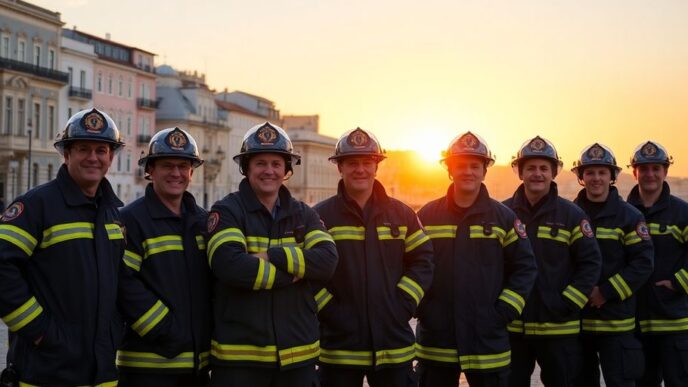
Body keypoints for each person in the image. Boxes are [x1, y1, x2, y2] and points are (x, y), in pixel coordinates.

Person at [206, 122, 338, 387]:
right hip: (240, 360)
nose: (269, 171)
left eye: (276, 164)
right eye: (261, 163)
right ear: (247, 168)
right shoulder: (227, 211)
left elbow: (327, 261)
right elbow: (229, 266)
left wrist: (271, 256)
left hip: (298, 358)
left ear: (286, 170)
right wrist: (294, 274)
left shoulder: (304, 213)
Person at [0, 108, 126, 385]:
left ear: (111, 157)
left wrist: (114, 329)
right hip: (46, 371)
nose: (93, 157)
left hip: (101, 373)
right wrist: (40, 331)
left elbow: (120, 281)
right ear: (66, 154)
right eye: (83, 149)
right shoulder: (36, 206)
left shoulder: (113, 213)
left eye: (101, 150)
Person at [313, 128, 434, 387]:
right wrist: (330, 310)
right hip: (339, 348)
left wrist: (402, 303)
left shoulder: (403, 215)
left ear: (376, 167)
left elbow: (423, 261)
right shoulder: (320, 217)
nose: (360, 170)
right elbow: (308, 272)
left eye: (367, 163)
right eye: (352, 163)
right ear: (340, 168)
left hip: (393, 346)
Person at [416, 131, 537, 387]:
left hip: (487, 339)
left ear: (484, 171)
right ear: (450, 170)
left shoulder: (504, 218)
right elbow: (410, 265)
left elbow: (525, 268)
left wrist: (503, 311)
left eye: (475, 166)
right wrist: (423, 309)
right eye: (461, 166)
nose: (468, 172)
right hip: (437, 339)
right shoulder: (427, 215)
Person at [503, 136, 601, 387]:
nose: (537, 174)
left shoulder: (572, 215)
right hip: (514, 329)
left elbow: (590, 263)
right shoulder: (502, 214)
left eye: (544, 168)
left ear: (554, 172)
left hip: (560, 331)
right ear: (520, 172)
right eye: (531, 168)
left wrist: (569, 302)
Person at [116, 127, 212, 386]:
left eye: (183, 166)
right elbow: (124, 283)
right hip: (148, 366)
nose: (176, 173)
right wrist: (166, 330)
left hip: (197, 366)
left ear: (192, 171)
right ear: (150, 171)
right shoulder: (131, 220)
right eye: (167, 165)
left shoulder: (204, 222)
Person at [571, 143, 653, 387]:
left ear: (612, 176)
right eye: (590, 173)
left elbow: (643, 263)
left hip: (617, 324)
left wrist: (605, 292)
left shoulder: (630, 217)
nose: (596, 178)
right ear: (581, 177)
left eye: (602, 172)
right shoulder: (569, 214)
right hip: (578, 324)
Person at [626, 141, 688, 387]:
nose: (650, 174)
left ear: (665, 171)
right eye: (644, 169)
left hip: (675, 323)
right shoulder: (624, 213)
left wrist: (677, 283)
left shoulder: (682, 213)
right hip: (635, 323)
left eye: (656, 168)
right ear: (634, 172)